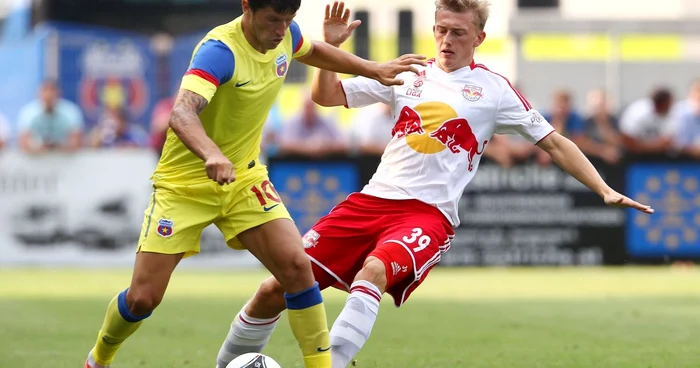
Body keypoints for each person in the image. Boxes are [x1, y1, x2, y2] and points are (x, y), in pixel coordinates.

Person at [213, 2, 655, 368]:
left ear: (479, 38)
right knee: (278, 286)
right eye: (441, 29)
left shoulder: (494, 90)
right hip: (370, 201)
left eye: (458, 33)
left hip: (427, 215)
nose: (446, 40)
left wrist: (602, 188)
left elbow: (555, 143)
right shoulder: (408, 72)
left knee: (374, 273)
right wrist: (328, 47)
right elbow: (328, 97)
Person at [82, 0, 425, 367]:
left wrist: (372, 68)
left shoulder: (285, 35)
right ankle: (99, 358)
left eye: (288, 20)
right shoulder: (220, 51)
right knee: (142, 299)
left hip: (244, 178)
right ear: (247, 7)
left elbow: (312, 50)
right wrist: (212, 154)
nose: (281, 29)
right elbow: (181, 112)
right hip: (184, 186)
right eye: (273, 19)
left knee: (297, 268)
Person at [18, 80, 84, 153]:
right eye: (45, 91)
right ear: (38, 93)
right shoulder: (28, 113)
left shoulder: (71, 112)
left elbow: (77, 143)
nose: (48, 95)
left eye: (52, 91)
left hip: (65, 159)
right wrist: (42, 148)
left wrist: (56, 147)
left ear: (59, 93)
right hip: (36, 160)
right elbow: (23, 144)